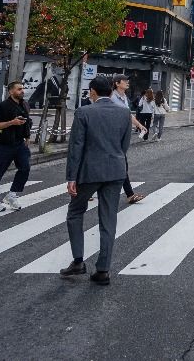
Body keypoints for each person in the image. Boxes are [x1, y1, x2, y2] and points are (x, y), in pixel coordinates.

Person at [61, 77, 132, 286]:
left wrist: (71, 177)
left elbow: (76, 146)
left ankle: (78, 260)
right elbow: (124, 145)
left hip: (89, 172)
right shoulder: (124, 112)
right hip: (116, 170)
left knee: (75, 212)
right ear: (111, 91)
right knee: (108, 219)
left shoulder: (84, 112)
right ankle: (103, 269)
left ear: (92, 91)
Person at [0, 81, 32, 212]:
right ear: (11, 91)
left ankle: (12, 195)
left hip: (20, 143)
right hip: (4, 144)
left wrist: (27, 137)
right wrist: (12, 122)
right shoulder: (2, 106)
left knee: (25, 168)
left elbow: (27, 122)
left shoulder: (25, 104)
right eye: (19, 89)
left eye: (22, 89)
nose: (22, 91)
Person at [109, 75, 145, 203]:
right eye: (125, 81)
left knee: (115, 164)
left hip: (121, 135)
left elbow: (128, 115)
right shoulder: (112, 98)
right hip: (112, 135)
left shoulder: (124, 98)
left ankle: (86, 189)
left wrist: (140, 125)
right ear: (117, 83)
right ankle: (130, 194)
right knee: (122, 164)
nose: (127, 83)